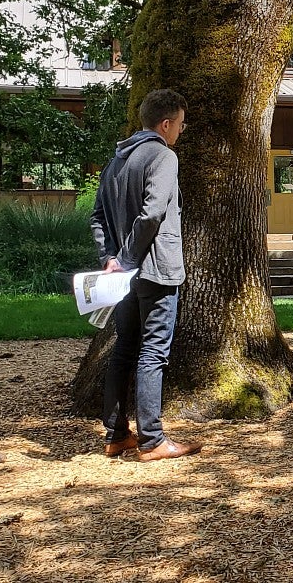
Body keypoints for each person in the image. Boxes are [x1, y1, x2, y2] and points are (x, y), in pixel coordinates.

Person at [90, 88, 202, 462]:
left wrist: (110, 259)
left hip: (124, 277)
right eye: (181, 125)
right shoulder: (163, 156)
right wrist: (125, 258)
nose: (181, 132)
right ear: (166, 123)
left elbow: (98, 218)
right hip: (155, 270)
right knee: (153, 353)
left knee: (124, 349)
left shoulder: (114, 162)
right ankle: (152, 440)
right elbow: (153, 213)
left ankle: (116, 435)